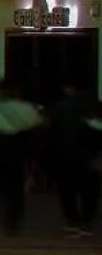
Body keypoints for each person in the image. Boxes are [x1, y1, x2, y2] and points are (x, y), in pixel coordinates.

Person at [0, 81, 44, 236]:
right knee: (15, 190)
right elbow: (38, 126)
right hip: (17, 152)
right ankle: (13, 222)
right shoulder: (28, 109)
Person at [44, 85, 102, 237]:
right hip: (88, 156)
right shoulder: (93, 107)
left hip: (63, 155)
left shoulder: (57, 108)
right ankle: (86, 221)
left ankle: (72, 220)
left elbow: (50, 134)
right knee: (89, 191)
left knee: (67, 190)